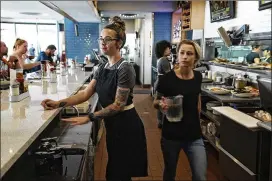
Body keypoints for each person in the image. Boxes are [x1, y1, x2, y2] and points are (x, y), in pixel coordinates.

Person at [41, 16, 148, 181]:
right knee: (116, 171)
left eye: (108, 39)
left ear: (119, 43)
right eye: (101, 39)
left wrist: (90, 117)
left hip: (126, 126)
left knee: (118, 173)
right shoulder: (102, 66)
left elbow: (118, 105)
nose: (103, 43)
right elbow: (85, 94)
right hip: (113, 125)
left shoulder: (125, 68)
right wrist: (58, 103)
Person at [153, 39, 206, 181]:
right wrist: (161, 104)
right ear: (177, 55)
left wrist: (199, 120)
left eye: (189, 53)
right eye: (182, 53)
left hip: (194, 136)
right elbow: (155, 101)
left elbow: (198, 100)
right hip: (171, 135)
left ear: (195, 58)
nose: (185, 56)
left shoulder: (198, 77)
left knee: (200, 176)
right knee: (170, 173)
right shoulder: (166, 79)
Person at [154, 40, 172, 129]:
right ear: (163, 49)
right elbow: (169, 74)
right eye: (168, 48)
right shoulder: (164, 59)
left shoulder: (160, 59)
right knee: (163, 102)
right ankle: (162, 122)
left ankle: (160, 121)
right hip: (163, 82)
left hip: (159, 81)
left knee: (160, 101)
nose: (170, 50)